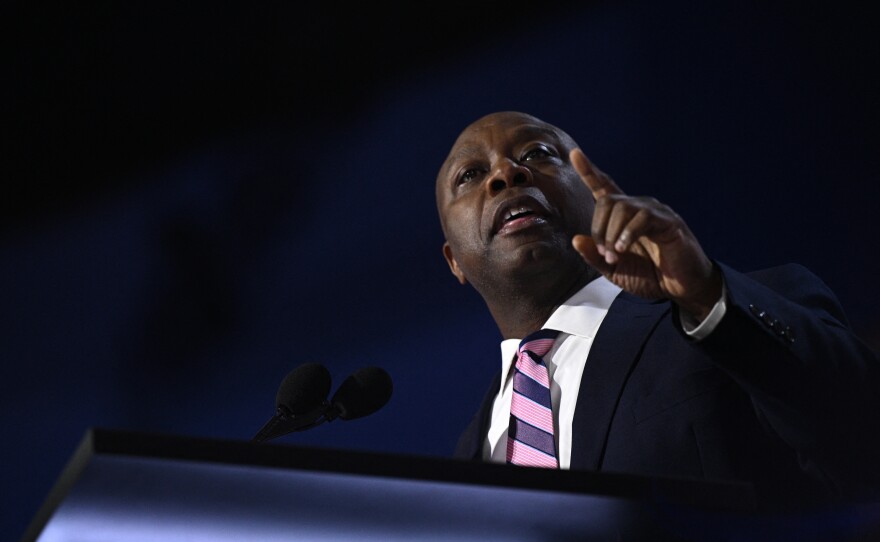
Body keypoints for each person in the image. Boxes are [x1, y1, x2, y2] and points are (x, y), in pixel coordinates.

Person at [435, 111, 880, 513]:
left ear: (596, 197)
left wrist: (705, 294)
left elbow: (862, 434)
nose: (507, 174)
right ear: (454, 260)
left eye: (538, 152)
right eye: (471, 174)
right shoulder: (469, 453)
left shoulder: (722, 311)